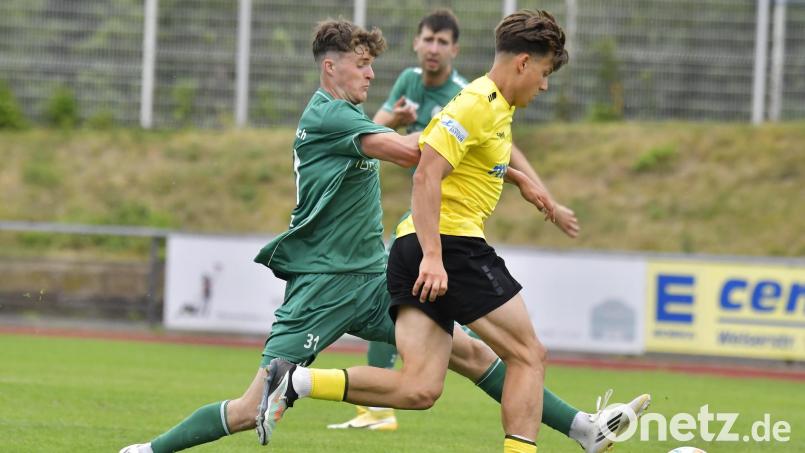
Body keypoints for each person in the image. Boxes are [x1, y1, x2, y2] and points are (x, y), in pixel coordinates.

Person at [121, 17, 647, 453]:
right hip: (323, 286)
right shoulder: (328, 115)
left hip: (371, 276)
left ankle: (582, 428)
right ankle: (147, 451)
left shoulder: (349, 117)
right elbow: (420, 156)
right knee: (248, 407)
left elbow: (412, 149)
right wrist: (486, 148)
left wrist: (502, 169)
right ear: (331, 67)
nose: (372, 73)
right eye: (361, 64)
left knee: (471, 357)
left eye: (373, 64)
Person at [328, 8, 580, 435]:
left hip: (421, 244)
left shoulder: (494, 104)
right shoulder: (476, 102)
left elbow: (464, 158)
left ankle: (294, 381)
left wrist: (520, 180)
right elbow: (427, 171)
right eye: (543, 71)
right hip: (449, 243)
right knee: (528, 355)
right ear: (523, 62)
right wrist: (433, 257)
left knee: (419, 388)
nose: (544, 84)